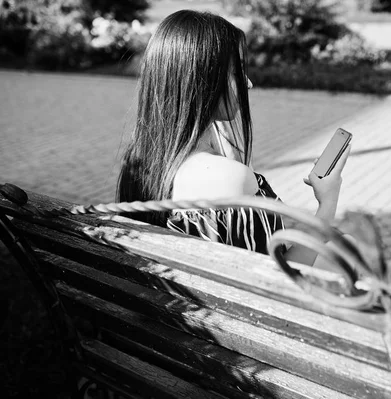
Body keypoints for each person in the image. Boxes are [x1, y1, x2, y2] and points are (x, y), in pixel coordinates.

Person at [117, 10, 349, 265]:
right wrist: (327, 203)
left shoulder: (140, 162)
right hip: (247, 303)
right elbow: (279, 282)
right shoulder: (227, 179)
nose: (248, 84)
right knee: (349, 253)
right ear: (205, 81)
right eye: (238, 73)